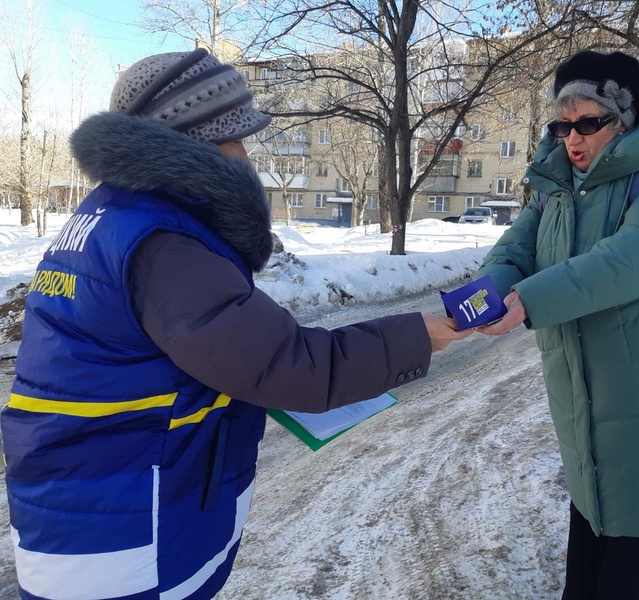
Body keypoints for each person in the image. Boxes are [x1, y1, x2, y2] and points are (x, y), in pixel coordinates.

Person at [0, 47, 469, 600]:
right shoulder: (164, 244)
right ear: (193, 144)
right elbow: (291, 367)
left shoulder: (111, 215)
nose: (245, 154)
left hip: (90, 512)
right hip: (126, 535)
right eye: (236, 138)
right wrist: (429, 332)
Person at [474, 50, 639, 599]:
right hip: (578, 375)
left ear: (624, 120)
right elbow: (515, 246)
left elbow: (633, 258)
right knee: (590, 500)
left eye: (589, 122)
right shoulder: (557, 188)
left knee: (631, 514)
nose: (572, 138)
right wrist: (487, 293)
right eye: (562, 124)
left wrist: (529, 300)